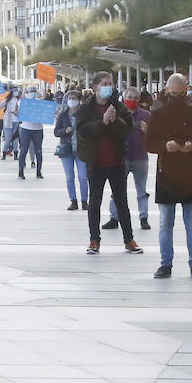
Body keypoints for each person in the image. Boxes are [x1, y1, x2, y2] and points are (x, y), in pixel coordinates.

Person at [144, 73, 192, 279]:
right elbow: (149, 143)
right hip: (166, 172)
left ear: (186, 91)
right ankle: (165, 263)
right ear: (166, 91)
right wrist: (165, 146)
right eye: (172, 93)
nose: (176, 97)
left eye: (180, 93)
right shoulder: (158, 114)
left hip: (190, 173)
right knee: (165, 222)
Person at [76, 72, 140, 255]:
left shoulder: (118, 106)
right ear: (96, 87)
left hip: (117, 161)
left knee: (122, 202)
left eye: (110, 84)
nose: (108, 87)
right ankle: (94, 240)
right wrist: (103, 122)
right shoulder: (86, 108)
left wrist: (114, 121)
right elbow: (83, 131)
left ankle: (129, 240)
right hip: (95, 162)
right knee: (94, 202)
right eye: (104, 83)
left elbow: (128, 127)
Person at [106, 87, 150, 230]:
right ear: (124, 97)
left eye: (136, 97)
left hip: (140, 157)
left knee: (142, 190)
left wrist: (148, 130)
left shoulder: (146, 115)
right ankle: (114, 217)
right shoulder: (117, 113)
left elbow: (154, 136)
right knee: (117, 189)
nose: (133, 100)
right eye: (130, 97)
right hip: (121, 157)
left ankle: (144, 217)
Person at [53, 90, 88, 210]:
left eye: (74, 98)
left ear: (79, 101)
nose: (71, 101)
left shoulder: (84, 115)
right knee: (69, 177)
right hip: (66, 149)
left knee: (83, 177)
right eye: (69, 98)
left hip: (81, 149)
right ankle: (73, 201)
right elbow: (56, 132)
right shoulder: (63, 115)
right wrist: (64, 131)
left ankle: (84, 201)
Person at [16, 86, 46, 179]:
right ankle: (21, 172)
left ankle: (38, 172)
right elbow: (17, 113)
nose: (32, 93)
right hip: (26, 128)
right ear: (27, 93)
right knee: (24, 150)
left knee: (38, 151)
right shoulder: (22, 102)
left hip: (37, 129)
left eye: (33, 91)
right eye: (31, 91)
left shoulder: (40, 103)